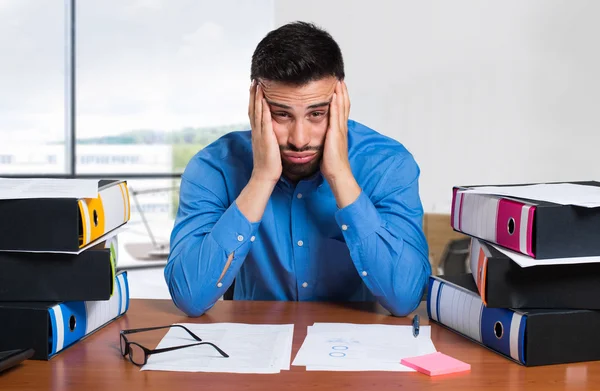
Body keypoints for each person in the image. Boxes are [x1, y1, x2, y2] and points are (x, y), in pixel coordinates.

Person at [164, 21, 431, 317]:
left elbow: (405, 299)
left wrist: (340, 175)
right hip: (254, 346)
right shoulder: (214, 167)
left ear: (341, 101)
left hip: (353, 350)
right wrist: (262, 178)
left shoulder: (387, 164)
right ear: (256, 105)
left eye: (317, 114)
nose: (299, 139)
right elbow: (190, 297)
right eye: (281, 115)